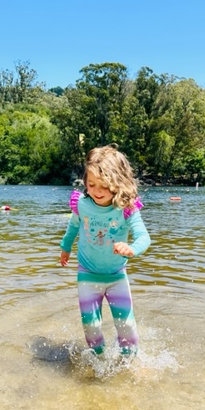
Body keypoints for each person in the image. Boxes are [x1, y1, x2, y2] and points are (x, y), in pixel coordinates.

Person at [59, 145, 151, 356]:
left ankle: (129, 363)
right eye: (91, 184)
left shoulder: (127, 208)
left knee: (126, 326)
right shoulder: (81, 204)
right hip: (87, 275)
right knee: (91, 327)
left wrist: (132, 249)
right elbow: (73, 227)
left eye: (104, 186)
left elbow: (144, 237)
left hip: (117, 276)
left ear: (119, 183)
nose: (97, 191)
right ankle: (98, 360)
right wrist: (65, 247)